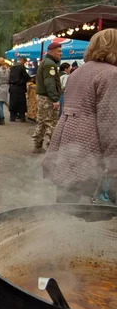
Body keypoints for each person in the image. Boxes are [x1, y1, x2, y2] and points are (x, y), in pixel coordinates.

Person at [43, 29, 117, 203]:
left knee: (66, 205)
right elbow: (111, 123)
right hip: (90, 148)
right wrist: (114, 165)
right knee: (93, 215)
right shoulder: (112, 75)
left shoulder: (78, 72)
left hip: (67, 142)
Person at [32, 42, 62, 154]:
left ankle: (37, 144)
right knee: (51, 122)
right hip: (47, 98)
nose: (61, 54)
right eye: (58, 51)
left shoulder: (45, 62)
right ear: (51, 51)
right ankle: (53, 148)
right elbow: (50, 82)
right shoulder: (50, 64)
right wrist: (55, 99)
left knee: (42, 122)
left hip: (42, 97)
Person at [8, 56, 30, 122]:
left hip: (12, 87)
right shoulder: (21, 67)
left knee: (13, 102)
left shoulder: (12, 67)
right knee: (21, 103)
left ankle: (12, 117)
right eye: (25, 62)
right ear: (23, 61)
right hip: (20, 87)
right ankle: (22, 117)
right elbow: (26, 76)